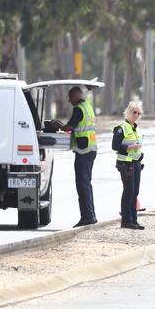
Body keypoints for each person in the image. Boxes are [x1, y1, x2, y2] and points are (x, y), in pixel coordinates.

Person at [62, 86, 98, 228]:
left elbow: (71, 126)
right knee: (86, 184)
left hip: (83, 151)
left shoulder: (78, 108)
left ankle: (87, 217)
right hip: (91, 149)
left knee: (82, 185)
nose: (69, 100)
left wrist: (60, 126)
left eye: (70, 96)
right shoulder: (87, 105)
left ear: (76, 95)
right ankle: (90, 215)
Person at [112, 101, 145, 230]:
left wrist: (140, 155)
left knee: (135, 192)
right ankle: (126, 220)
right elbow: (115, 146)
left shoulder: (136, 128)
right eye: (134, 112)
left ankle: (134, 220)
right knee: (128, 192)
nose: (136, 115)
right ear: (128, 112)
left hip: (136, 163)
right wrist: (129, 147)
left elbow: (137, 147)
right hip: (126, 164)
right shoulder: (121, 128)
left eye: (138, 113)